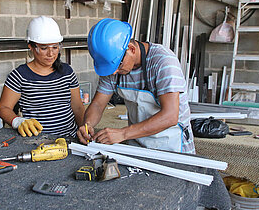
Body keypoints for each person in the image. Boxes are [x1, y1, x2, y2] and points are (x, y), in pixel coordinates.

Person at [77, 18, 195, 154]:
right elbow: (98, 104)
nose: (113, 72)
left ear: (131, 49)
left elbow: (170, 116)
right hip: (137, 145)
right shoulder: (113, 64)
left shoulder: (163, 62)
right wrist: (88, 125)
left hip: (171, 147)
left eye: (117, 66)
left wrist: (123, 134)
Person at [0, 16, 85, 138]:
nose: (51, 54)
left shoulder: (67, 72)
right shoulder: (19, 76)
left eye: (55, 47)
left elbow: (77, 107)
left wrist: (83, 129)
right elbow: (3, 107)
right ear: (31, 47)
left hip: (70, 138)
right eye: (44, 48)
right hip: (37, 141)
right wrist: (18, 121)